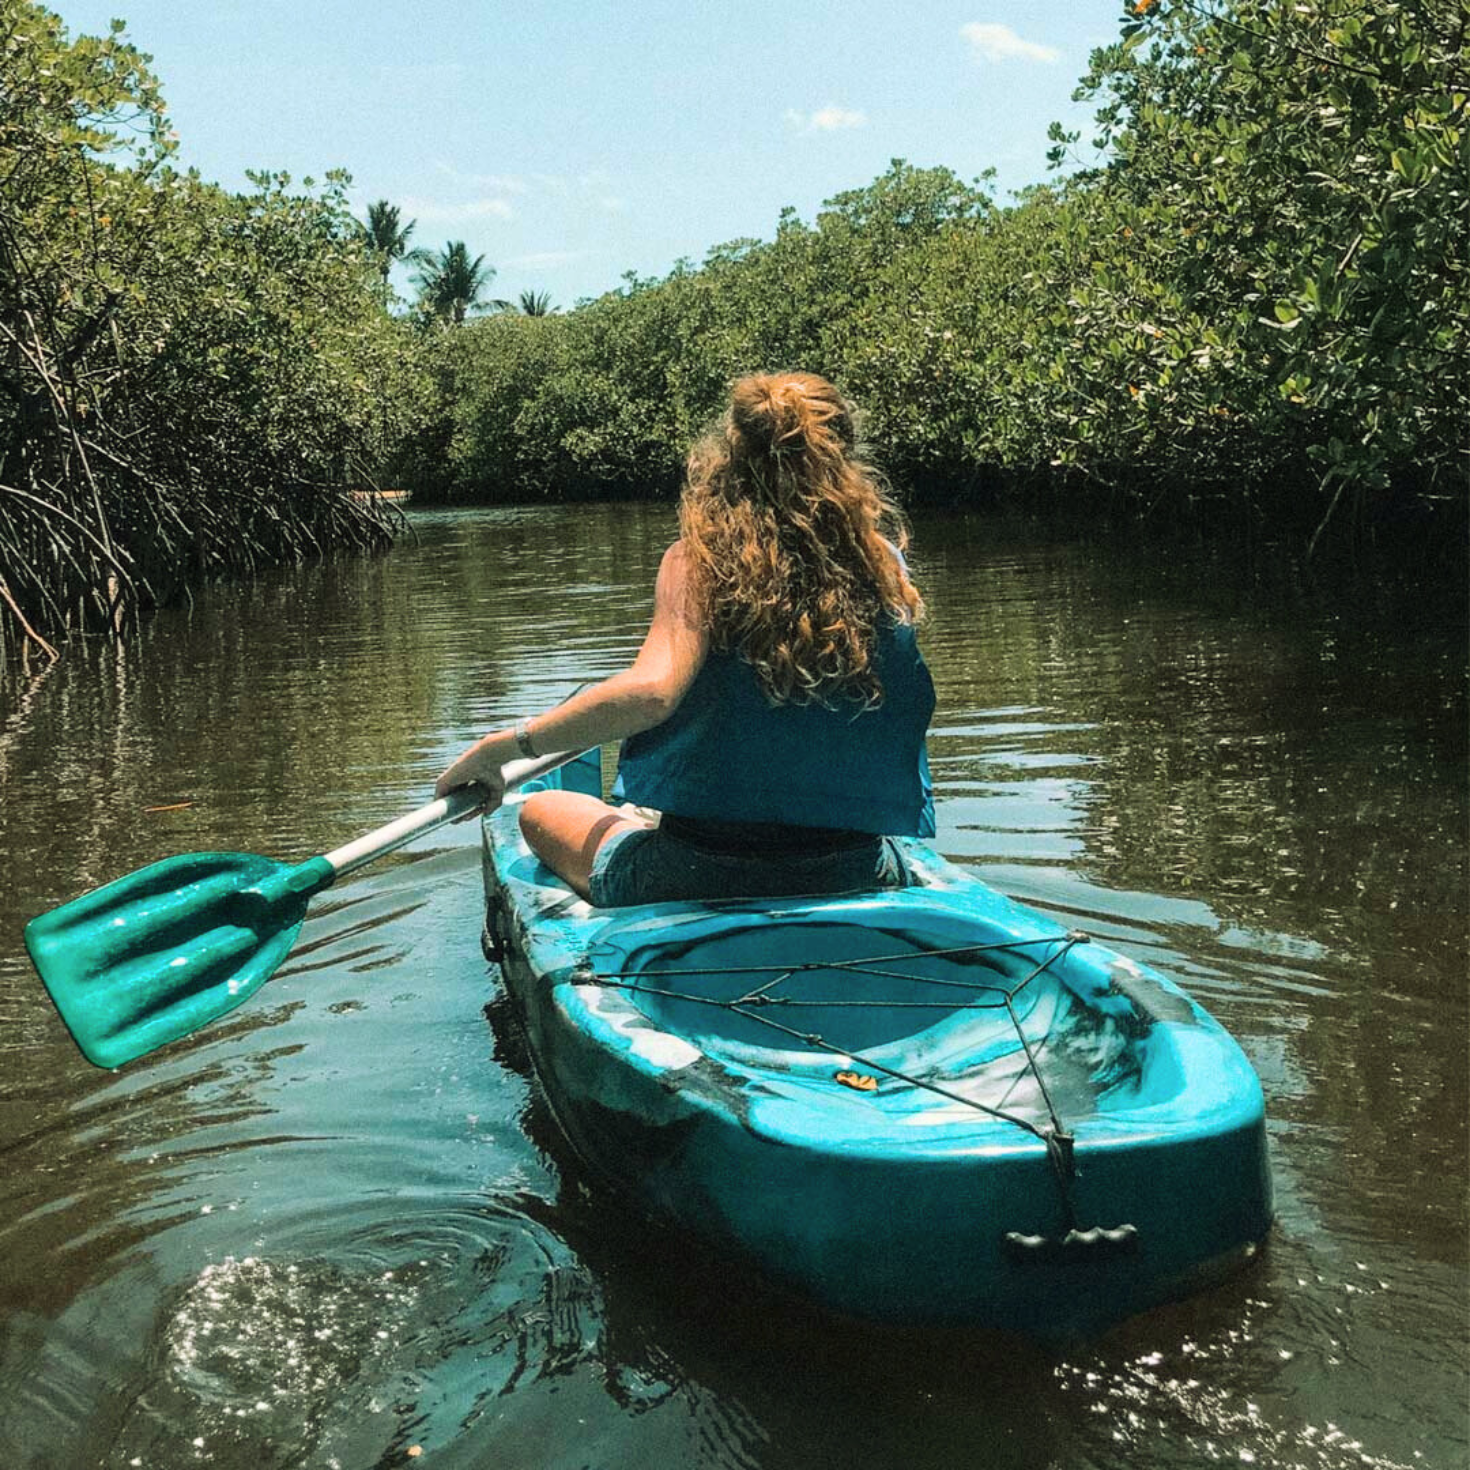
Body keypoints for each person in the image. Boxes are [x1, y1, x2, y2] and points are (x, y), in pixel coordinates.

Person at [435, 371, 936, 906]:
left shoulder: (699, 563)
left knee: (540, 810)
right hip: (854, 868)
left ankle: (640, 826)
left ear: (729, 456)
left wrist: (502, 748)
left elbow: (652, 693)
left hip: (696, 872)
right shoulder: (883, 565)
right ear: (845, 460)